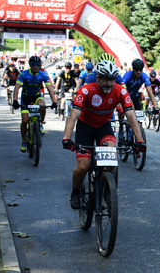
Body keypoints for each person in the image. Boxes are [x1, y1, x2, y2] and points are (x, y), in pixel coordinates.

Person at [61, 60, 145, 209]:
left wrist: (139, 140)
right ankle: (75, 191)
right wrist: (67, 137)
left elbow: (131, 116)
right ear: (98, 78)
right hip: (85, 127)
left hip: (103, 127)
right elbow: (73, 116)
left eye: (112, 79)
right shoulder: (86, 90)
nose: (108, 83)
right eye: (105, 79)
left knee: (109, 159)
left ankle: (106, 190)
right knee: (83, 165)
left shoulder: (121, 91)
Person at [12, 55, 57, 151]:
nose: (35, 67)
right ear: (30, 65)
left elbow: (49, 88)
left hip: (36, 96)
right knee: (25, 120)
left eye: (37, 65)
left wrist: (54, 101)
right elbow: (17, 87)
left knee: (43, 106)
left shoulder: (43, 75)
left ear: (40, 65)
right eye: (33, 65)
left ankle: (40, 124)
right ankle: (24, 141)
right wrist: (15, 100)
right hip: (25, 97)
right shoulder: (23, 74)